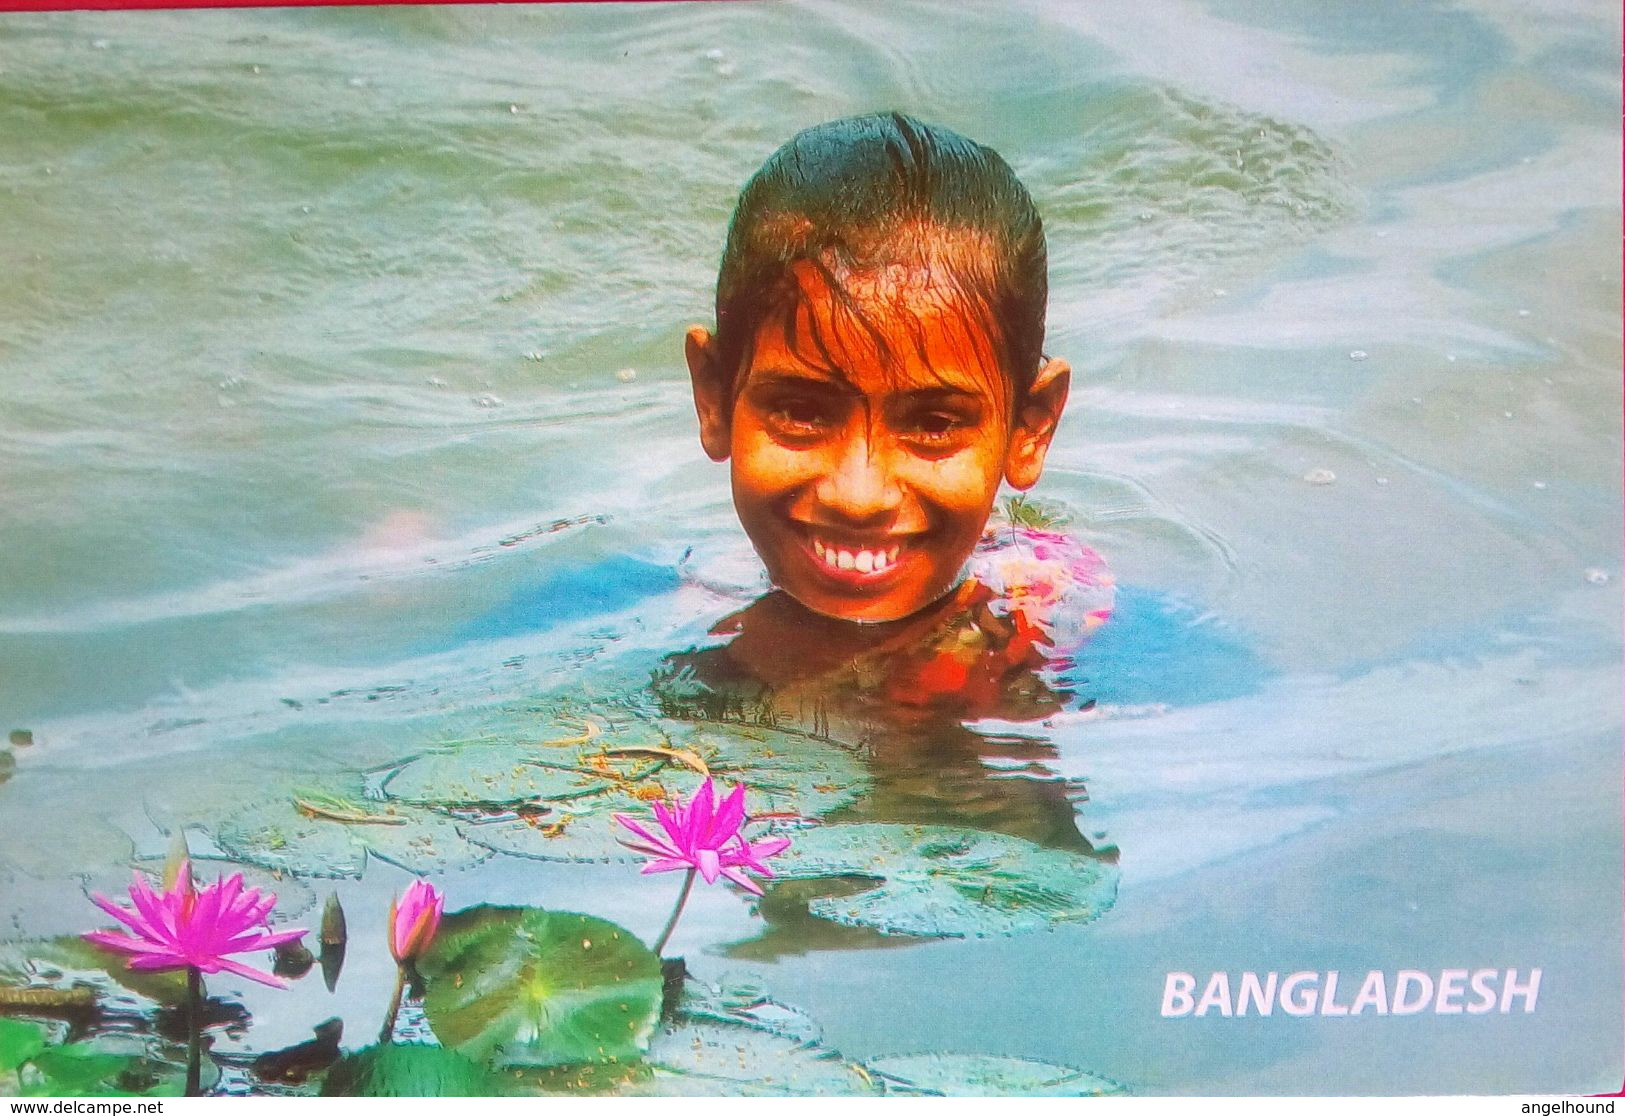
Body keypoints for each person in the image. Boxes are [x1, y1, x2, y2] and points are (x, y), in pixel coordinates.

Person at [676, 112, 1112, 727]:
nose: (859, 497)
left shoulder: (1048, 639)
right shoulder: (673, 608)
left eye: (933, 424)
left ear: (1029, 429)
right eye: (801, 412)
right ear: (716, 398)